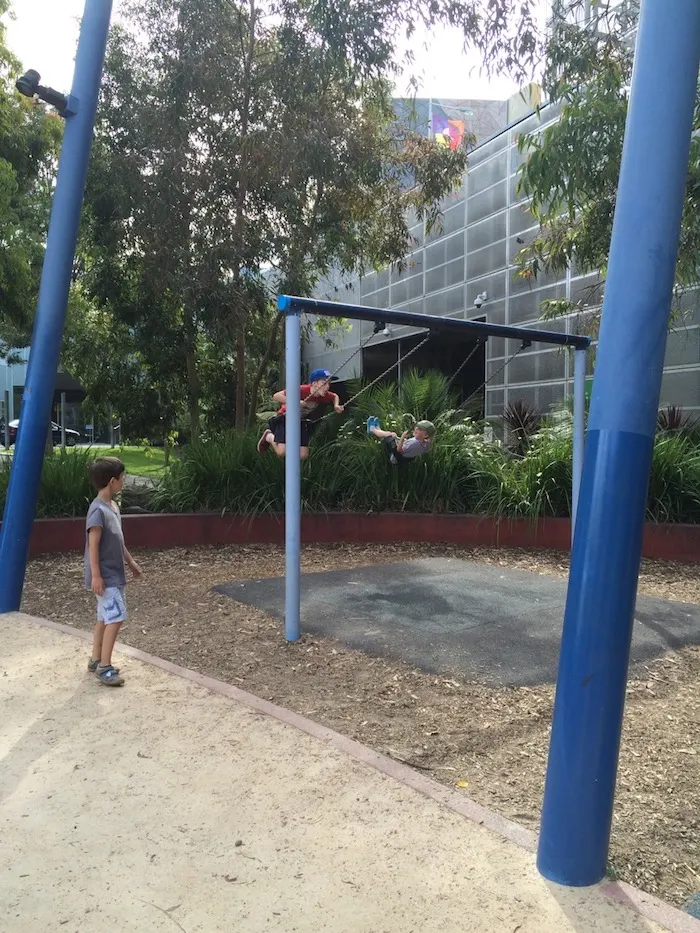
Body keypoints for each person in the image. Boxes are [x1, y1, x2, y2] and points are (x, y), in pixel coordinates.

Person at [84, 456, 142, 686]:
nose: (124, 481)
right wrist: (97, 575)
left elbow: (118, 541)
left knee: (104, 617)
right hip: (105, 577)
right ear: (111, 481)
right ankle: (105, 667)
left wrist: (131, 563)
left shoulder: (112, 507)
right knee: (116, 617)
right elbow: (93, 545)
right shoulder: (97, 511)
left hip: (113, 574)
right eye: (122, 478)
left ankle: (96, 659)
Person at [257, 369, 344, 460]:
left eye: (329, 384)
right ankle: (269, 436)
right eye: (324, 383)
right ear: (314, 383)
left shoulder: (324, 395)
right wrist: (295, 402)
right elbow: (276, 396)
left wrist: (336, 405)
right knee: (281, 452)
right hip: (285, 418)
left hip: (301, 421)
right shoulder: (302, 389)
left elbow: (334, 396)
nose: (327, 387)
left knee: (303, 455)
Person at [367, 417, 435, 465]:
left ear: (426, 435)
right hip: (404, 458)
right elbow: (429, 440)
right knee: (393, 435)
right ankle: (378, 429)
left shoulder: (414, 443)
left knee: (390, 435)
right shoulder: (426, 444)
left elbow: (399, 450)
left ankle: (372, 429)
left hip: (395, 457)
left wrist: (402, 438)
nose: (416, 429)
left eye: (420, 429)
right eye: (417, 427)